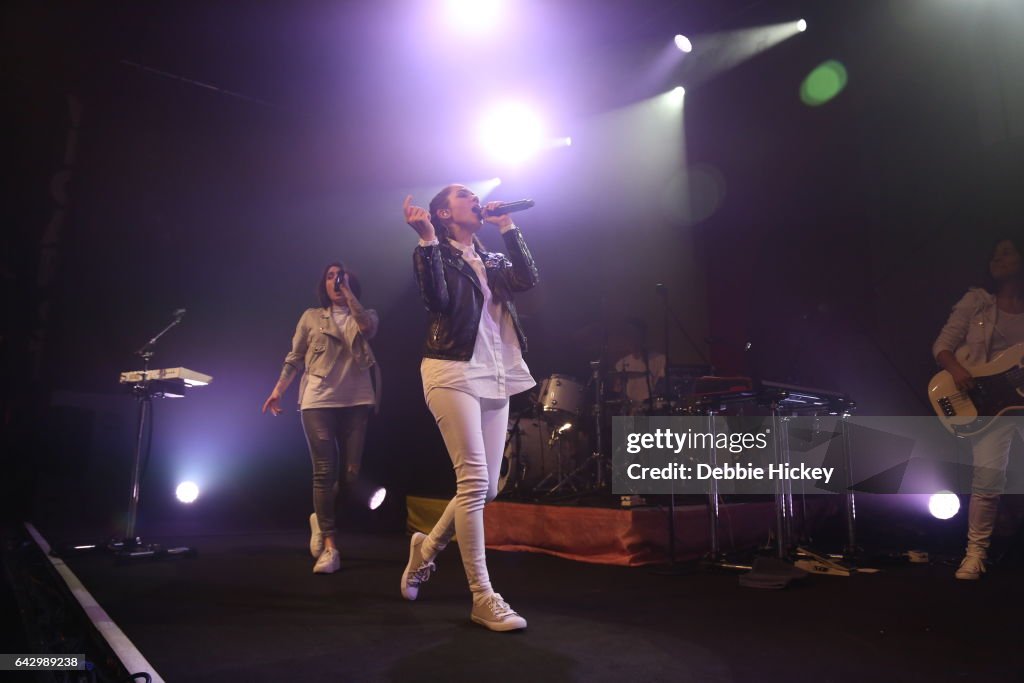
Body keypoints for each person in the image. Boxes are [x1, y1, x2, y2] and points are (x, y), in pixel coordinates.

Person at [399, 186, 539, 631]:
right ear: (444, 212)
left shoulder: (491, 258)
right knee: (474, 479)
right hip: (451, 369)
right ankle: (483, 597)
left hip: (495, 371)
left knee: (487, 489)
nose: (476, 198)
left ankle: (427, 548)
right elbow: (437, 300)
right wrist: (425, 241)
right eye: (465, 195)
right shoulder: (435, 252)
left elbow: (527, 279)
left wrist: (508, 226)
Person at [262, 262, 380, 574]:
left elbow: (367, 328)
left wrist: (349, 295)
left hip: (357, 400)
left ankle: (320, 516)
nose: (335, 281)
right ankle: (330, 545)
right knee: (323, 472)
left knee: (350, 477)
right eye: (330, 277)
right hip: (318, 399)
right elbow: (294, 358)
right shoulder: (311, 317)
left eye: (341, 276)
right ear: (323, 284)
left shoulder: (366, 313)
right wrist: (278, 391)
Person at [933, 237, 1024, 579]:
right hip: (988, 404)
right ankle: (975, 554)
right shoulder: (977, 303)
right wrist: (958, 371)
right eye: (994, 252)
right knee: (987, 479)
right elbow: (942, 346)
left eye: (1008, 251)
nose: (999, 257)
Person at [612, 317, 666, 413]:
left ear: (643, 336)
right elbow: (617, 391)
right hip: (631, 412)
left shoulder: (660, 359)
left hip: (654, 411)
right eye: (629, 335)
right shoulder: (620, 364)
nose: (632, 339)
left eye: (635, 335)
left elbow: (663, 390)